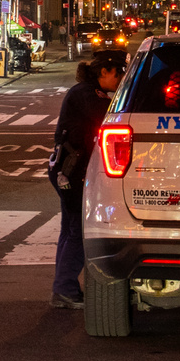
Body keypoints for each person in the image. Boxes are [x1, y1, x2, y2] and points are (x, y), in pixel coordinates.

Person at [48, 49, 127, 308]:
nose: (120, 79)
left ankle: (63, 287)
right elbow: (110, 117)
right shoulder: (87, 95)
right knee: (77, 232)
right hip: (72, 172)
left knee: (69, 229)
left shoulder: (86, 92)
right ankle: (65, 289)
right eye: (118, 74)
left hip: (67, 170)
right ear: (103, 72)